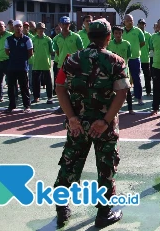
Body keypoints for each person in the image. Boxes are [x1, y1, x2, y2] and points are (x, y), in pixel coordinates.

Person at [53, 19, 128, 228]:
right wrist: (105, 121)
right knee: (106, 168)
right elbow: (122, 92)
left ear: (88, 36)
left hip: (78, 124)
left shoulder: (71, 60)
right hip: (104, 126)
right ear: (108, 37)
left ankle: (61, 209)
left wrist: (72, 118)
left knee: (70, 164)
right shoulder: (116, 61)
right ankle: (104, 213)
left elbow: (59, 87)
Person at [52, 16, 84, 112]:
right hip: (61, 66)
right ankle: (63, 107)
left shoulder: (76, 36)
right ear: (60, 25)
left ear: (69, 24)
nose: (65, 26)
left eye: (67, 24)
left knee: (75, 88)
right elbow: (57, 52)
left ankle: (77, 107)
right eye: (63, 24)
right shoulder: (56, 38)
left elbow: (81, 51)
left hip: (74, 66)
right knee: (61, 87)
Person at [4, 20, 34, 113]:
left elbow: (30, 52)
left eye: (20, 26)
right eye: (16, 26)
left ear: (22, 27)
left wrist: (22, 59)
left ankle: (27, 106)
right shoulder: (8, 39)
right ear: (13, 27)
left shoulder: (27, 39)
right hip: (11, 67)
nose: (18, 28)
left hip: (22, 67)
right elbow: (7, 51)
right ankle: (11, 106)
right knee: (11, 87)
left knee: (24, 87)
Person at [108, 26, 134, 114]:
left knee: (127, 90)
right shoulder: (109, 44)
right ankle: (113, 110)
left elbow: (128, 56)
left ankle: (130, 109)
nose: (118, 35)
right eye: (116, 33)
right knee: (112, 91)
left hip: (123, 70)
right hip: (112, 70)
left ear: (122, 34)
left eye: (119, 33)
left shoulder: (127, 44)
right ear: (113, 34)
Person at [122, 14, 146, 106]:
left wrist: (135, 50)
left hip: (135, 59)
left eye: (131, 20)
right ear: (124, 21)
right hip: (123, 60)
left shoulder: (138, 31)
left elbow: (142, 43)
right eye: (128, 20)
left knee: (137, 79)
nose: (130, 22)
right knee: (123, 80)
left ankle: (139, 98)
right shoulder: (121, 31)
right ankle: (123, 98)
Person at [31, 23, 54, 105]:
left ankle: (50, 98)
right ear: (36, 30)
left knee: (48, 82)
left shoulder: (48, 39)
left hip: (45, 64)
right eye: (39, 28)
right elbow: (31, 51)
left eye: (42, 29)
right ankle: (36, 97)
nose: (41, 30)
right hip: (36, 63)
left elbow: (52, 51)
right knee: (35, 82)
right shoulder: (33, 39)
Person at [0, 21, 12, 103]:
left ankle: (13, 96)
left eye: (1, 26)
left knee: (11, 80)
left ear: (5, 26)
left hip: (8, 61)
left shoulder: (10, 35)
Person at [138, 18, 153, 96]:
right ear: (138, 25)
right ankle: (137, 92)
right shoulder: (136, 33)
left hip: (146, 59)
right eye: (140, 24)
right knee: (136, 77)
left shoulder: (148, 35)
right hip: (136, 59)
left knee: (147, 76)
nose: (142, 25)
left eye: (143, 24)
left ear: (145, 25)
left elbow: (151, 47)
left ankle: (148, 92)